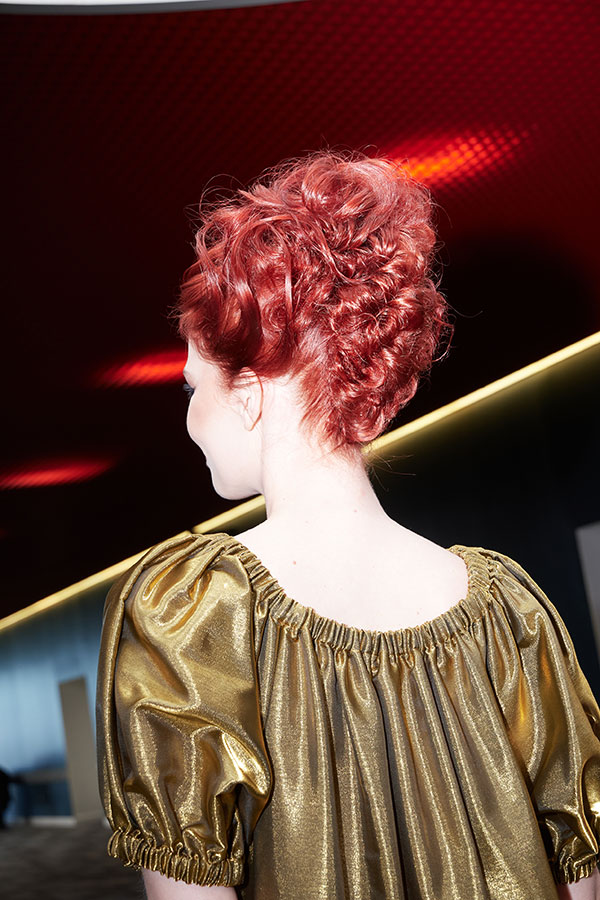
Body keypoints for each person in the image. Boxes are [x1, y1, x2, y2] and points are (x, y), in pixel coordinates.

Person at [96, 149, 600, 900]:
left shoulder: (190, 611)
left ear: (248, 391)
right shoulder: (512, 614)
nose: (190, 420)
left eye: (192, 387)